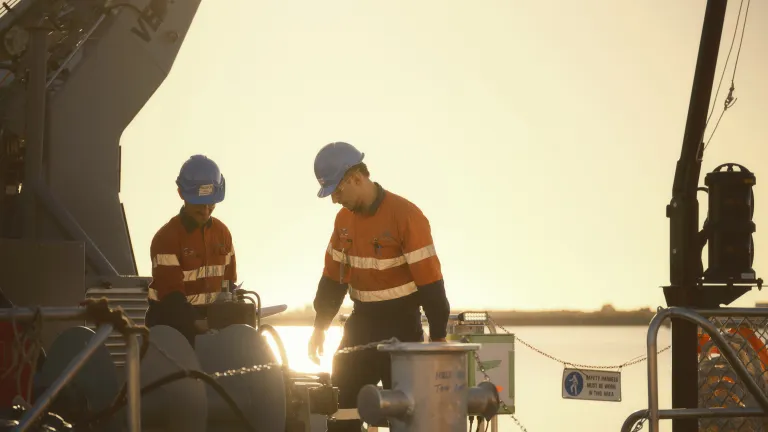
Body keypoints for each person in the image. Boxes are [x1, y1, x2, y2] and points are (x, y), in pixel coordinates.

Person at [308, 142, 451, 432]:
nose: (335, 200)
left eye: (337, 191)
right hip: (362, 325)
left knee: (407, 416)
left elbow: (432, 285)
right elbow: (333, 279)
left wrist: (437, 339)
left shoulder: (406, 216)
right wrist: (319, 327)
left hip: (403, 330)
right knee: (342, 401)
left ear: (356, 178)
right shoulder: (343, 221)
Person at [145, 155, 237, 346]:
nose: (205, 210)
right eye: (199, 204)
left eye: (211, 203)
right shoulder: (166, 238)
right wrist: (198, 324)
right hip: (171, 329)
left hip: (211, 328)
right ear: (181, 194)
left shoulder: (223, 233)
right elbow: (171, 296)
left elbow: (228, 284)